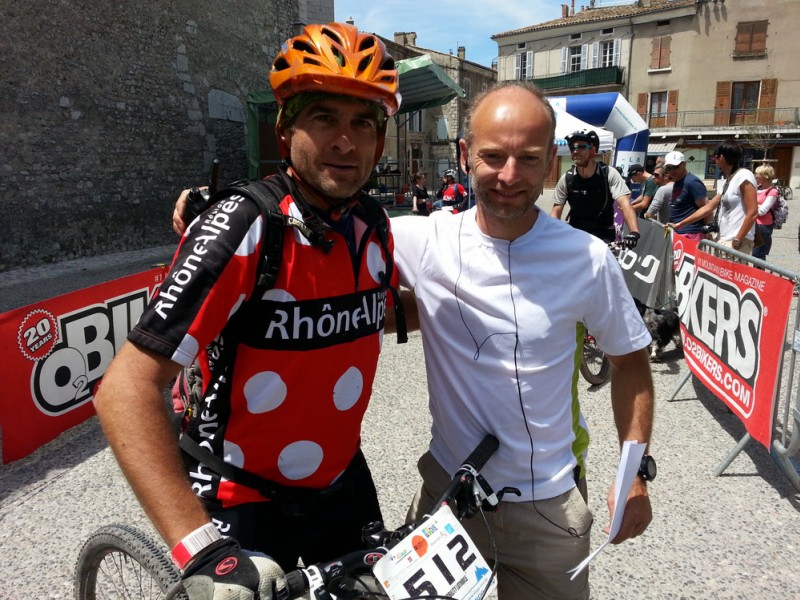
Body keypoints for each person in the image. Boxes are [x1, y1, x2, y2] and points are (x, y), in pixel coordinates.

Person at [94, 22, 405, 599]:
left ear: (380, 142)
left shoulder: (373, 226)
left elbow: (373, 314)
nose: (346, 141)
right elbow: (124, 389)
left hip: (342, 483)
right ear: (286, 131)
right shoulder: (244, 225)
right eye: (324, 118)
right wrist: (199, 546)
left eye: (363, 122)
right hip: (240, 498)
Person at [392, 81, 655, 600]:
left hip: (547, 509)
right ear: (466, 156)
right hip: (448, 495)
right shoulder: (425, 239)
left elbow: (630, 362)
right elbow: (319, 231)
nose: (509, 176)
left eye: (527, 158)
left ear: (551, 165)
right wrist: (210, 211)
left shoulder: (587, 257)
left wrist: (636, 474)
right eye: (493, 156)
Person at [550, 129, 641, 247]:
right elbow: (556, 212)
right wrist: (550, 235)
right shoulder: (567, 178)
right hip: (576, 234)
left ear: (593, 150)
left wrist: (634, 232)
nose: (576, 151)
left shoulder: (609, 173)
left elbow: (625, 203)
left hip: (603, 235)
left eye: (581, 147)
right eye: (572, 147)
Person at [669, 142, 757, 255]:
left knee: (729, 272)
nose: (713, 160)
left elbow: (753, 212)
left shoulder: (744, 175)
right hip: (724, 239)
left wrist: (738, 239)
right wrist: (680, 224)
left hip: (735, 240)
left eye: (715, 156)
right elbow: (708, 207)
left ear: (721, 157)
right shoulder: (729, 180)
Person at [662, 151, 710, 241]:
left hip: (690, 235)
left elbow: (707, 209)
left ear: (684, 164)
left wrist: (704, 230)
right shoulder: (678, 181)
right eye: (669, 168)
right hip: (678, 233)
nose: (672, 171)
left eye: (675, 167)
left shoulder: (692, 182)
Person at [752, 163, 780, 261]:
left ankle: (758, 275)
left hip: (763, 227)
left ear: (766, 176)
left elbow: (762, 211)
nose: (756, 176)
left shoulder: (772, 191)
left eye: (758, 174)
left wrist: (751, 206)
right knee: (749, 253)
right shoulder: (756, 189)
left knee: (757, 256)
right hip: (752, 224)